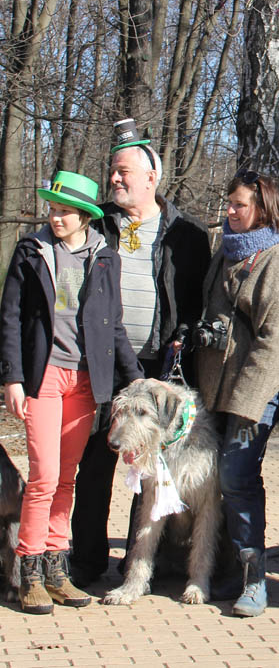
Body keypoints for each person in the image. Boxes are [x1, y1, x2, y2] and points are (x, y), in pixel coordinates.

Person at [69, 119, 210, 587]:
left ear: (151, 178)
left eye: (123, 171)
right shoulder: (98, 224)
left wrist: (183, 339)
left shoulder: (187, 234)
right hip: (100, 364)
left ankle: (137, 568)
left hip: (154, 366)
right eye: (112, 171)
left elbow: (195, 301)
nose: (114, 179)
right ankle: (86, 562)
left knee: (148, 470)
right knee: (93, 466)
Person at [0, 171, 144, 613]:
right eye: (53, 209)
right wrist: (12, 378)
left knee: (67, 478)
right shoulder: (32, 251)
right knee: (43, 478)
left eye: (65, 211)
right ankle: (29, 570)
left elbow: (114, 325)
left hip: (85, 382)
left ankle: (56, 569)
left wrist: (135, 378)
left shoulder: (106, 258)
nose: (56, 217)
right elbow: (9, 318)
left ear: (85, 216)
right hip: (43, 378)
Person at [192, 170, 279, 617]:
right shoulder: (226, 252)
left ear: (263, 209)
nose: (230, 211)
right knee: (214, 479)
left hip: (255, 389)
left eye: (239, 205)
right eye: (229, 203)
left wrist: (246, 404)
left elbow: (274, 342)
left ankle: (253, 578)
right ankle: (220, 568)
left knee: (238, 478)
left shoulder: (278, 260)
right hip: (213, 384)